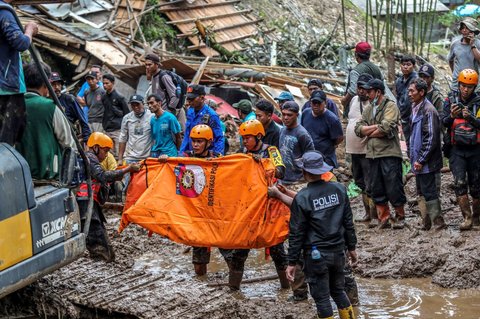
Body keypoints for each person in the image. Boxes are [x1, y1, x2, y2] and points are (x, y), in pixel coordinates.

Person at [285, 150, 357, 319]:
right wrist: (352, 247)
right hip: (339, 252)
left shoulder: (302, 198)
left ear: (304, 172)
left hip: (316, 256)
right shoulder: (339, 189)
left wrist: (291, 262)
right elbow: (348, 222)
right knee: (339, 291)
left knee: (322, 298)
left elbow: (297, 233)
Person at [220, 119, 289, 291]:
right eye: (243, 138)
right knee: (239, 251)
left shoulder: (271, 151)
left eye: (248, 138)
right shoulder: (242, 151)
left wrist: (262, 165)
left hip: (268, 207)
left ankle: (287, 287)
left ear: (258, 136)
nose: (245, 142)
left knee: (277, 250)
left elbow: (281, 169)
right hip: (248, 209)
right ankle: (233, 289)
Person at [158, 124, 215, 275]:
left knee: (229, 252)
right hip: (196, 214)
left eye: (200, 141)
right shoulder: (185, 157)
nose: (195, 144)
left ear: (208, 143)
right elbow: (174, 164)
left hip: (214, 213)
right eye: (194, 141)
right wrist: (166, 159)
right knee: (198, 262)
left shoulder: (217, 160)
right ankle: (202, 280)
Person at [76, 132, 140, 262]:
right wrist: (127, 170)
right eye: (105, 151)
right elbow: (102, 176)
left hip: (88, 200)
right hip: (85, 201)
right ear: (96, 148)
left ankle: (103, 257)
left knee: (98, 232)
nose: (106, 155)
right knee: (96, 234)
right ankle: (101, 259)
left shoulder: (88, 157)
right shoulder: (89, 158)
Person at [355, 79, 406, 229]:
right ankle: (384, 218)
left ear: (378, 92)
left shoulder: (390, 106)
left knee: (393, 186)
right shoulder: (369, 109)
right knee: (375, 186)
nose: (367, 94)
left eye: (370, 91)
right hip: (372, 155)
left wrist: (368, 132)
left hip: (389, 153)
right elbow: (358, 129)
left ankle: (400, 216)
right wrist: (374, 127)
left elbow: (386, 127)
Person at [15, 62, 77, 180]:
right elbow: (68, 144)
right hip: (46, 176)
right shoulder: (50, 107)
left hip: (18, 176)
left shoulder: (13, 106)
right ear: (45, 84)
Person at [441, 69, 480, 230]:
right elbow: (443, 121)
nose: (466, 89)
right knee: (459, 183)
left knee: (476, 185)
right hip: (456, 149)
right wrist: (451, 116)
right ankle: (467, 218)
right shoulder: (450, 99)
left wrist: (470, 117)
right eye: (463, 86)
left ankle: (477, 218)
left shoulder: (479, 102)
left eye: (469, 87)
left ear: (474, 87)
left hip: (476, 149)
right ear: (459, 85)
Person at [408, 78, 445, 231]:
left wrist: (421, 159)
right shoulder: (416, 107)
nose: (409, 94)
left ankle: (438, 223)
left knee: (429, 191)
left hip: (426, 161)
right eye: (409, 90)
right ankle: (427, 222)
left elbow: (431, 139)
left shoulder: (428, 110)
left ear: (421, 92)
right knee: (421, 191)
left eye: (412, 91)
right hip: (419, 160)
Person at [0, 0, 38, 145]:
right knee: (8, 141)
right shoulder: (4, 11)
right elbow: (20, 43)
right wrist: (29, 30)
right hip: (6, 88)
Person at [346, 73, 378, 227]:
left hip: (367, 150)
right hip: (354, 150)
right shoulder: (353, 100)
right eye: (359, 88)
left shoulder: (373, 104)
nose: (361, 91)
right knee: (359, 181)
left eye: (364, 88)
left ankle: (374, 215)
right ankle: (367, 213)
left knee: (370, 182)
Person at [145, 52, 187, 131]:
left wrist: (167, 112)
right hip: (161, 115)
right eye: (146, 65)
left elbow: (175, 95)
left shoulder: (164, 76)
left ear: (157, 64)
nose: (147, 67)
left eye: (150, 65)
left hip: (171, 114)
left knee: (176, 137)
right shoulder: (154, 77)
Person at [301, 90, 344, 168]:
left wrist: (330, 146)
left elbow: (339, 137)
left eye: (319, 103)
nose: (316, 105)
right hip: (308, 156)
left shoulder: (332, 119)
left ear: (325, 103)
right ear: (310, 102)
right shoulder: (305, 113)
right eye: (314, 102)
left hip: (325, 158)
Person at [341, 41, 383, 117]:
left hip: (357, 108)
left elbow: (353, 91)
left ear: (356, 55)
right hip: (375, 109)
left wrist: (344, 100)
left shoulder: (356, 71)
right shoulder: (376, 69)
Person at [180, 85, 224, 156]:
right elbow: (187, 134)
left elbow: (219, 138)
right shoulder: (190, 111)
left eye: (192, 99)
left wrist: (217, 157)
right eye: (188, 99)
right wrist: (181, 153)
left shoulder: (211, 115)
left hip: (206, 155)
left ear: (202, 98)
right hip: (192, 153)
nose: (189, 101)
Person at [279, 101, 315, 184]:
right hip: (283, 178)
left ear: (297, 115)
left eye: (289, 115)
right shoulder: (282, 130)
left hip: (298, 180)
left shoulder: (302, 134)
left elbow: (311, 156)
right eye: (283, 114)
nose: (285, 117)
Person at [50, 71, 91, 142]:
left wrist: (86, 138)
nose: (57, 87)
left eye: (59, 84)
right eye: (53, 84)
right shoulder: (45, 101)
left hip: (68, 138)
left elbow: (82, 119)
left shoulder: (69, 99)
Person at [118, 94, 153, 167]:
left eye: (137, 104)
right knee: (128, 178)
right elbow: (122, 138)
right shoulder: (127, 118)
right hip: (130, 157)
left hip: (147, 158)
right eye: (133, 105)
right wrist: (120, 159)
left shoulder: (151, 116)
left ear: (143, 103)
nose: (135, 107)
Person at [101, 73, 129, 157]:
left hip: (117, 130)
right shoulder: (104, 97)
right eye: (103, 83)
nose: (105, 85)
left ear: (113, 83)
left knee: (120, 154)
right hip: (107, 130)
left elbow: (127, 114)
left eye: (107, 83)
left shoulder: (119, 97)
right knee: (108, 155)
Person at [448, 17, 480, 90]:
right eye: (462, 28)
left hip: (472, 83)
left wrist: (472, 45)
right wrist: (454, 74)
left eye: (467, 28)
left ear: (473, 31)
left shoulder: (478, 44)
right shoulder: (455, 44)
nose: (464, 30)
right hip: (457, 83)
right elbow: (450, 60)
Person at [395, 54, 418, 144]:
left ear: (413, 66)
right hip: (402, 117)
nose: (405, 67)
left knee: (413, 142)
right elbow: (398, 98)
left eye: (408, 65)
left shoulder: (416, 80)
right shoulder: (399, 81)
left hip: (413, 116)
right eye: (403, 64)